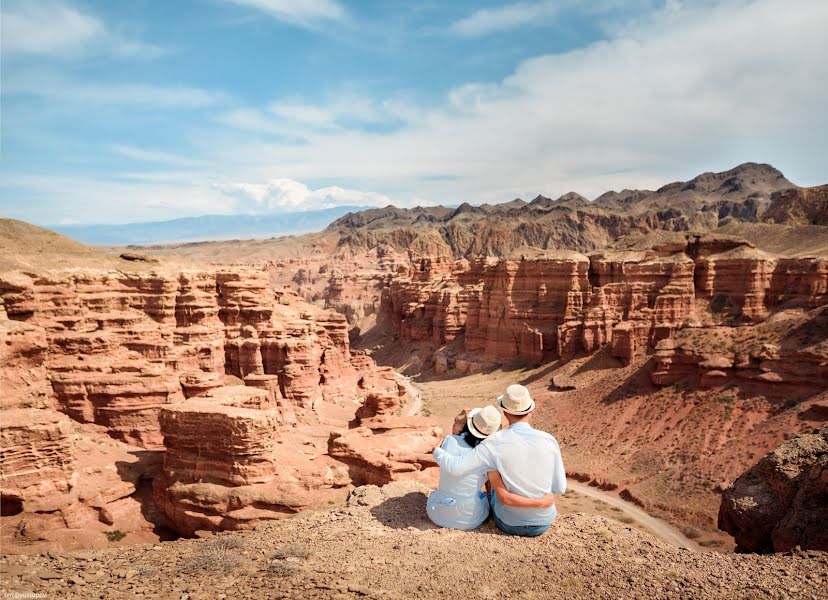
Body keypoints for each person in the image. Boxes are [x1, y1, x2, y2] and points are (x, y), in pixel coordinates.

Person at [433, 384, 566, 537]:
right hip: (544, 522)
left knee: (495, 470)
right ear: (530, 411)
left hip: (509, 523)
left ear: (505, 413)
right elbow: (559, 487)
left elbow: (456, 467)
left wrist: (436, 450)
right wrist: (540, 502)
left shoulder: (493, 442)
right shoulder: (549, 440)